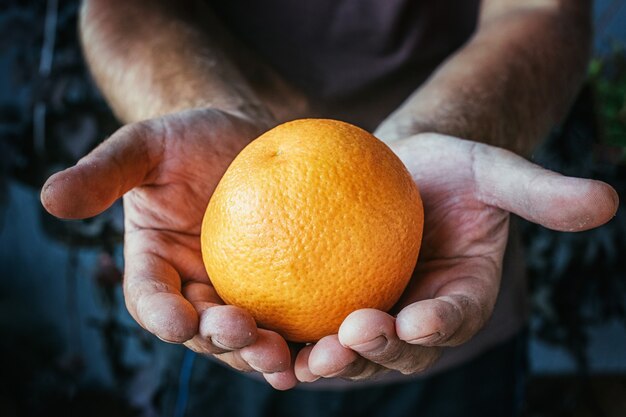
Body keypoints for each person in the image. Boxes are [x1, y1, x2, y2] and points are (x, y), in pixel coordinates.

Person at [41, 0, 618, 415]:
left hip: (451, 267)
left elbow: (542, 10)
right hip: (224, 321)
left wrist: (443, 128)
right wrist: (201, 106)